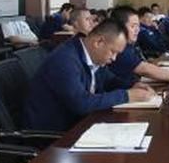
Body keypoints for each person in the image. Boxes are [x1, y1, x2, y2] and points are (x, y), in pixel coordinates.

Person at [23, 19, 156, 132]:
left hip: (81, 125)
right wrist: (127, 95)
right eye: (113, 52)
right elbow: (81, 103)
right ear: (99, 42)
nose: (114, 58)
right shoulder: (65, 60)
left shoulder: (91, 56)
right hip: (56, 135)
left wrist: (132, 86)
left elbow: (110, 80)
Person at [109, 6, 169, 88]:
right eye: (133, 26)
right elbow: (143, 69)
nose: (137, 30)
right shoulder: (120, 48)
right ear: (119, 28)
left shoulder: (128, 45)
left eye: (138, 26)